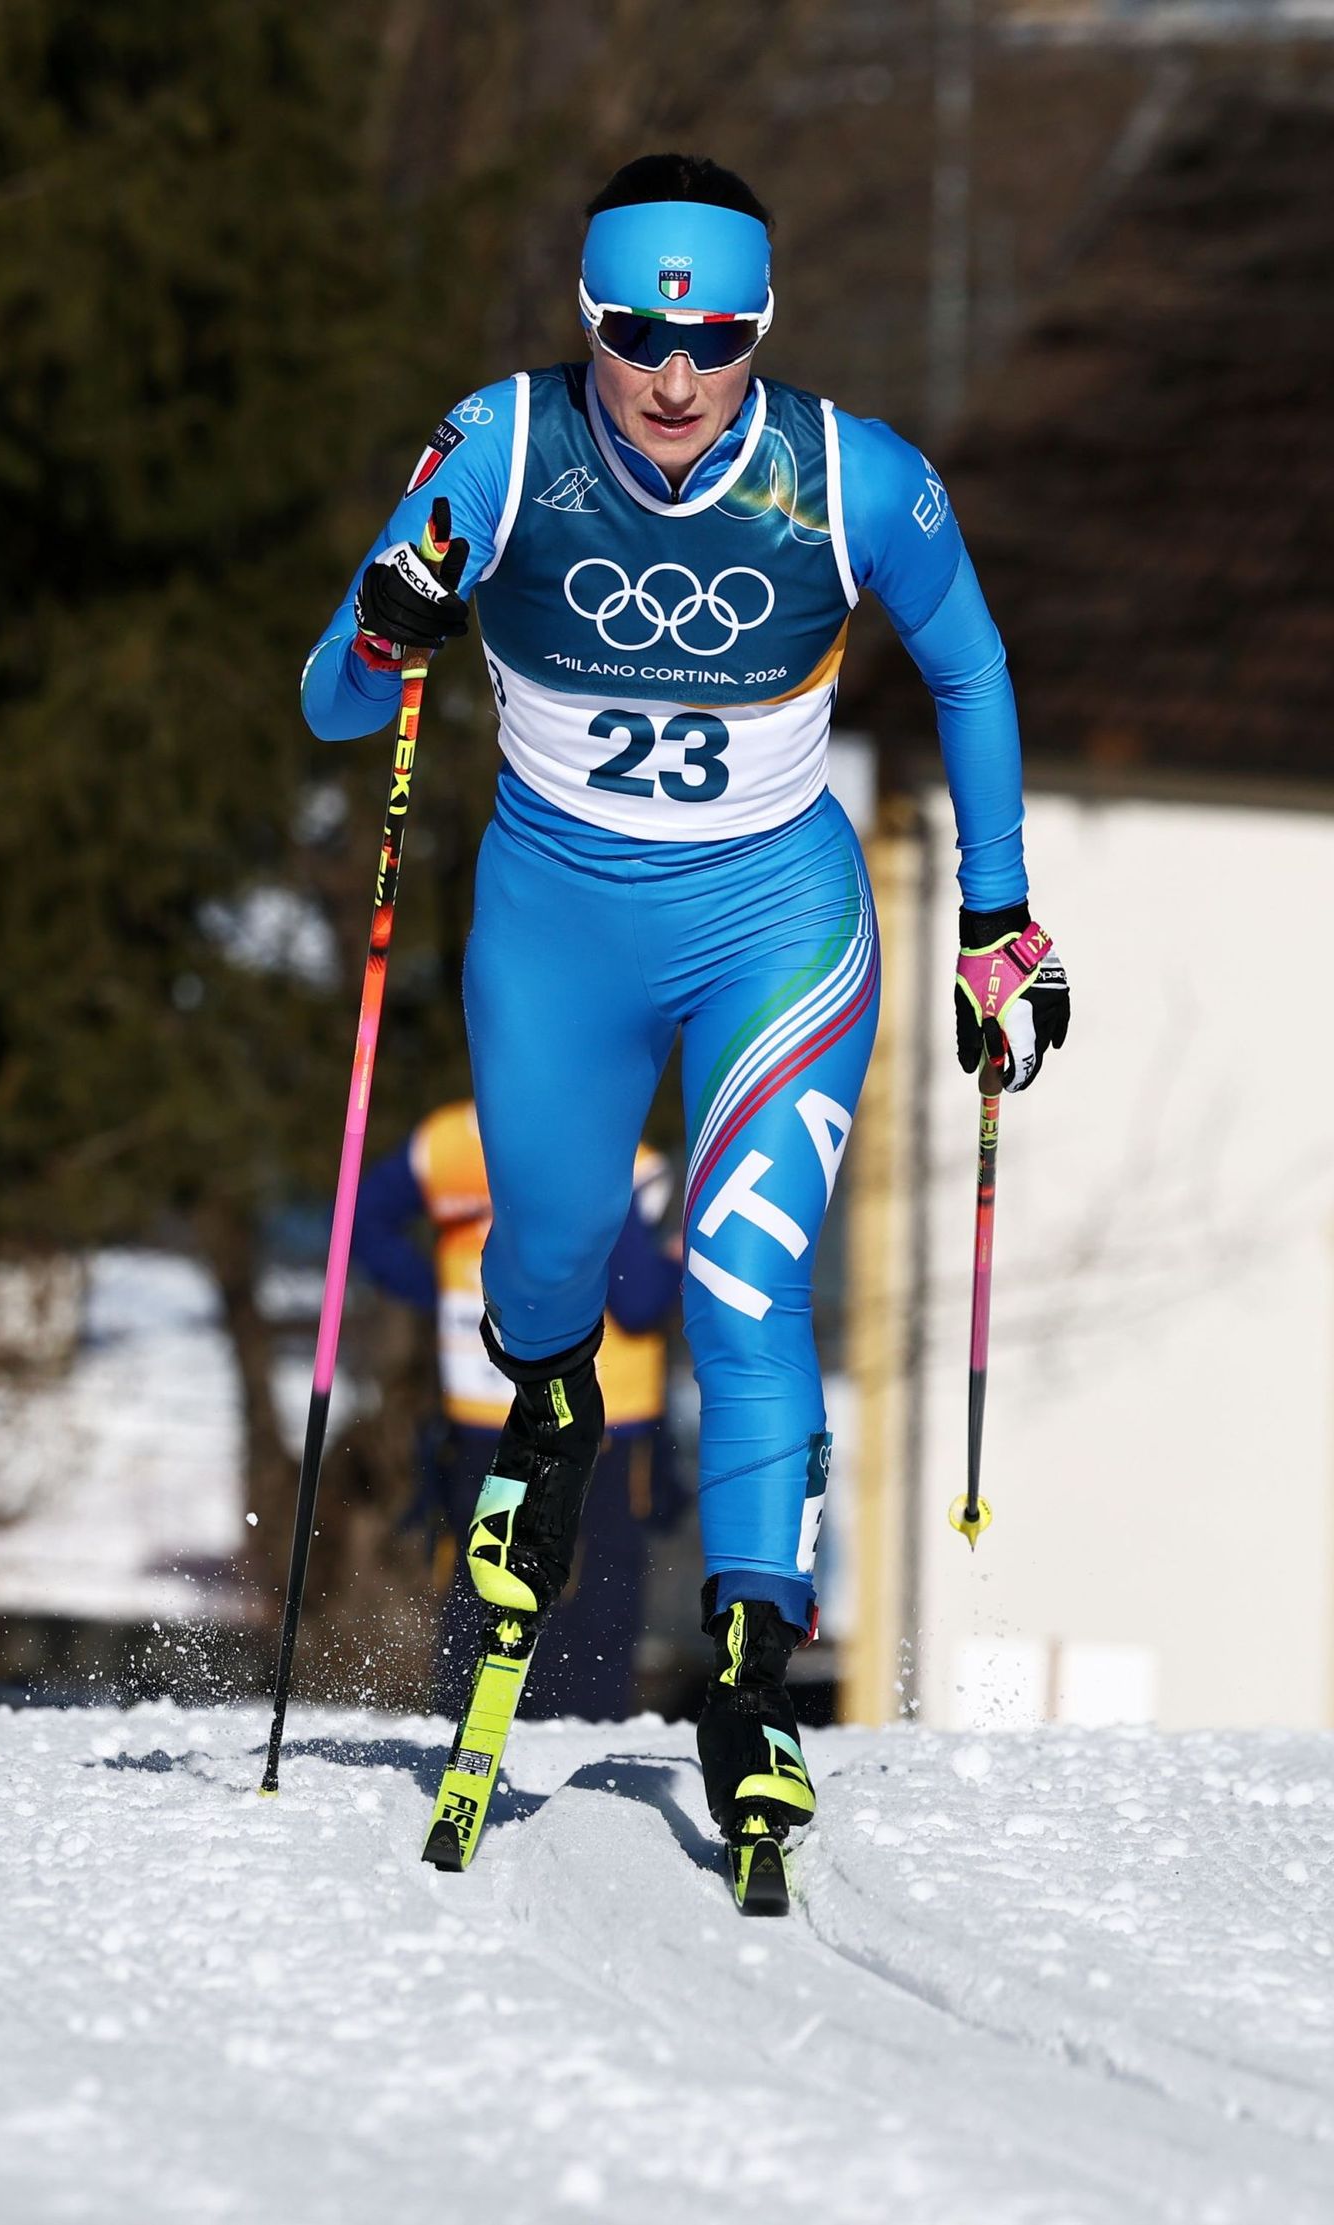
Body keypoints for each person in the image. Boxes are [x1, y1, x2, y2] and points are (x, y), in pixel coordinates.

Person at [302, 153, 1070, 1859]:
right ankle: (552, 1436)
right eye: (637, 342)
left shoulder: (851, 480)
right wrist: (384, 628)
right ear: (587, 323)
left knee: (742, 1277)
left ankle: (747, 1678)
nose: (671, 382)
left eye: (713, 343)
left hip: (774, 931)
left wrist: (998, 910)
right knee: (547, 1271)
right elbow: (334, 703)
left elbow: (974, 666)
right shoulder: (498, 450)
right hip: (554, 935)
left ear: (760, 332)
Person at [352, 1100, 682, 1720]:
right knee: (598, 1581)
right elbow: (638, 1301)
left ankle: (466, 1715)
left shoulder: (451, 1141)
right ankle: (582, 1723)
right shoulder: (607, 1145)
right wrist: (677, 1256)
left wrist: (446, 1290)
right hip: (601, 1417)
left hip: (483, 1410)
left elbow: (361, 1223)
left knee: (484, 1567)